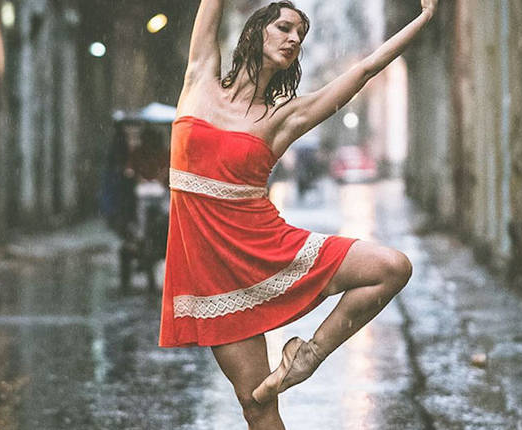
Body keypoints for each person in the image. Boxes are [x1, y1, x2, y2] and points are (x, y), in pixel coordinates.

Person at [159, 1, 437, 428]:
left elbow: (362, 72)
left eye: (300, 35)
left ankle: (307, 357)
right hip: (213, 273)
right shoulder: (200, 75)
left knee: (392, 267)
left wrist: (424, 20)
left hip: (263, 246)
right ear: (255, 31)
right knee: (256, 404)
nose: (294, 39)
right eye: (285, 27)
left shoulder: (284, 116)